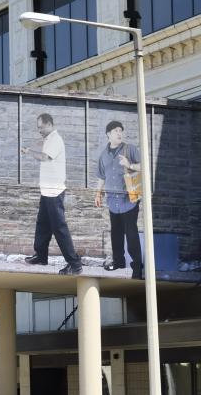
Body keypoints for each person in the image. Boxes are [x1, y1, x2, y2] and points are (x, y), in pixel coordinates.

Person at [23, 113, 80, 274]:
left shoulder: (55, 139)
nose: (39, 130)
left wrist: (28, 152)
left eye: (41, 127)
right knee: (43, 225)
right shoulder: (49, 139)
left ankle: (74, 264)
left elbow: (45, 158)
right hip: (47, 190)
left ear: (49, 124)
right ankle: (41, 256)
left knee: (59, 228)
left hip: (55, 191)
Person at [94, 120, 143, 279]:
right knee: (116, 234)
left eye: (121, 130)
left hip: (130, 199)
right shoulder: (103, 155)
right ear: (108, 134)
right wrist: (97, 193)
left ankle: (137, 266)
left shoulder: (130, 149)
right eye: (116, 131)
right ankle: (119, 262)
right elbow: (101, 176)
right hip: (112, 202)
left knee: (131, 233)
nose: (119, 133)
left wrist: (129, 164)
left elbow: (144, 167)